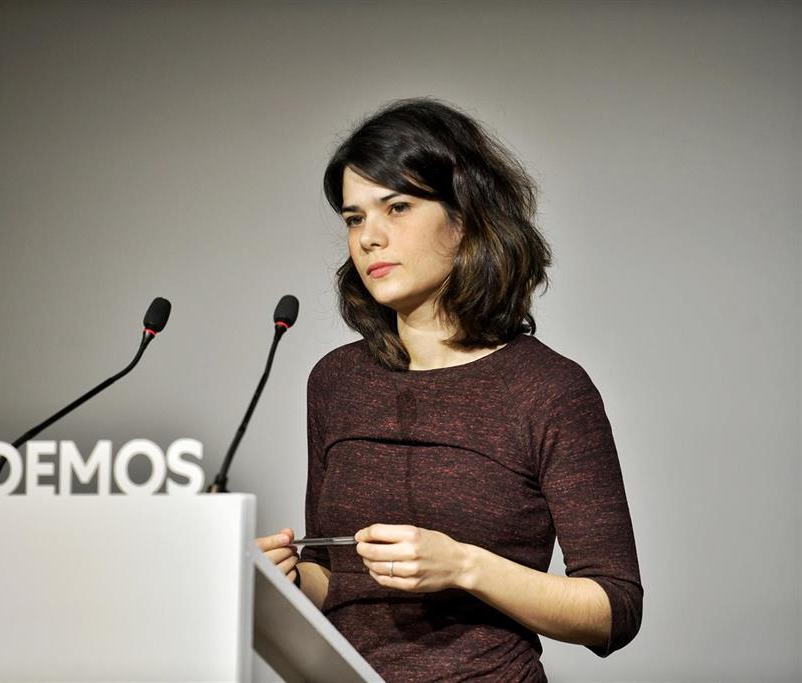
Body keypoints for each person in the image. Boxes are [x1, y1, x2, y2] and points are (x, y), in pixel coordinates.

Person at [256, 98, 643, 681]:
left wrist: (463, 566)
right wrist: (285, 581)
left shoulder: (548, 390)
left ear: (465, 218)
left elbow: (615, 608)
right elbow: (335, 579)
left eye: (398, 207)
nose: (369, 238)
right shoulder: (336, 381)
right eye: (354, 218)